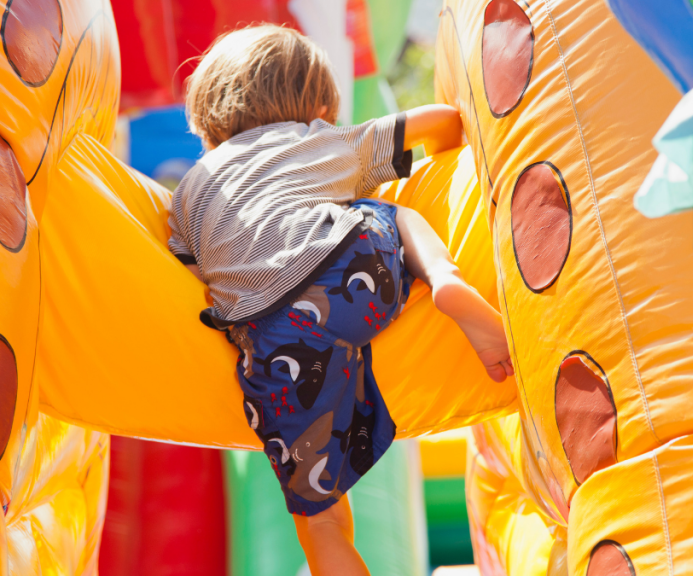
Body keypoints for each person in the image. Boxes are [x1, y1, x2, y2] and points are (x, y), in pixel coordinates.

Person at [168, 24, 512, 576]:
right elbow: (442, 123)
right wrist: (449, 170)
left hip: (274, 342)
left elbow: (186, 264)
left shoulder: (191, 190)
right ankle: (445, 280)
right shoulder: (322, 140)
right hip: (356, 276)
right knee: (393, 214)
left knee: (321, 521)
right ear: (320, 104)